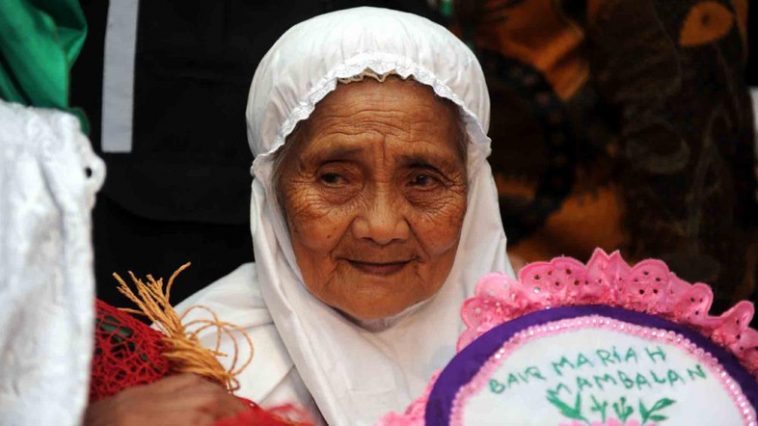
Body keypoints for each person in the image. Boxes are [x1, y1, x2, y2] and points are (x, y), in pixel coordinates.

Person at [85, 7, 513, 425]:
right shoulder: (196, 369)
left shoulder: (549, 345)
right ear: (273, 192)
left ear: (473, 192)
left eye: (422, 181)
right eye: (333, 178)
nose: (381, 227)